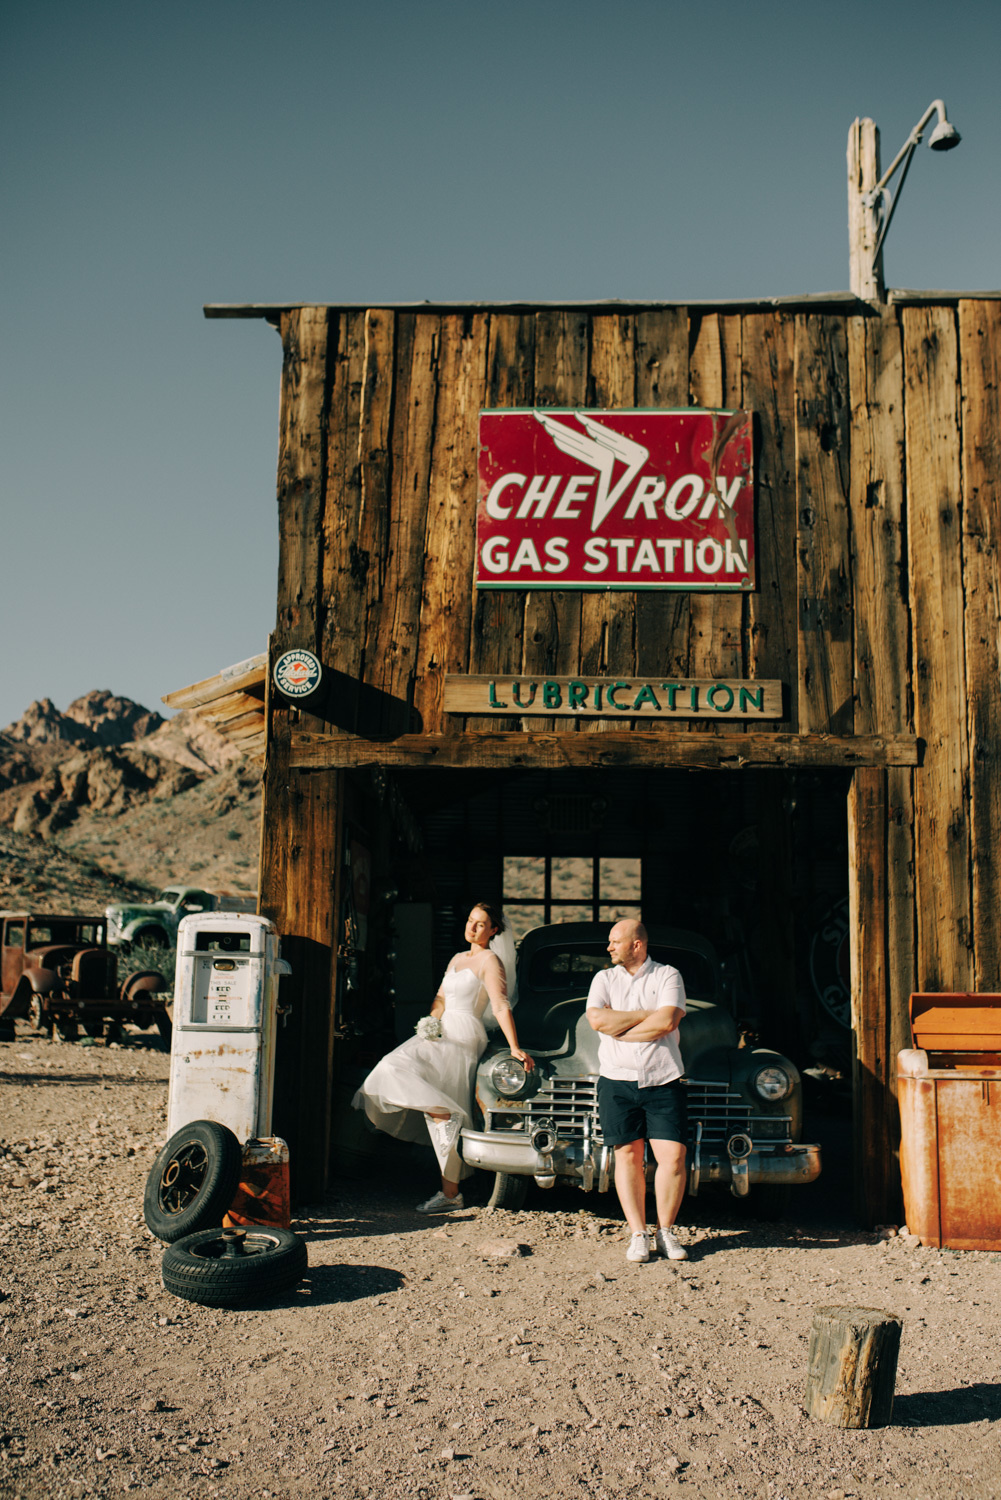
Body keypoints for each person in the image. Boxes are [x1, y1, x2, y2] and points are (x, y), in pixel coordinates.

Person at [353, 903, 533, 1214]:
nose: (472, 927)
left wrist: (514, 1047)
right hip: (441, 1030)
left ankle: (450, 1192)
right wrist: (431, 1022)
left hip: (463, 1034)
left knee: (433, 1100)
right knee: (392, 1068)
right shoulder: (457, 958)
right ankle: (450, 1174)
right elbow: (440, 998)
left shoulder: (490, 961)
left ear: (493, 931)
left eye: (480, 924)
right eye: (470, 920)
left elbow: (501, 1005)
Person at [586, 918, 689, 1263]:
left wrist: (624, 1026)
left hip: (663, 1078)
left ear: (637, 945)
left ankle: (666, 1231)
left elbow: (667, 1022)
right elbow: (598, 1021)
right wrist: (648, 1014)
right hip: (616, 1079)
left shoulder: (668, 975)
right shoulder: (603, 978)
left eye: (615, 941)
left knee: (672, 1157)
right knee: (627, 1156)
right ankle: (638, 1233)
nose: (609, 947)